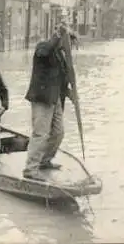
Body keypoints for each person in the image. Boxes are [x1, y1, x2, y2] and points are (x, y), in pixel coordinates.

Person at [22, 21, 76, 181]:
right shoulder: (44, 47)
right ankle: (30, 169)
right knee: (40, 133)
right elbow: (43, 53)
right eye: (68, 41)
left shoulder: (60, 55)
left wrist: (69, 93)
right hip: (42, 98)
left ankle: (44, 161)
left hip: (55, 98)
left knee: (58, 132)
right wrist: (57, 35)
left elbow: (60, 79)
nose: (70, 45)